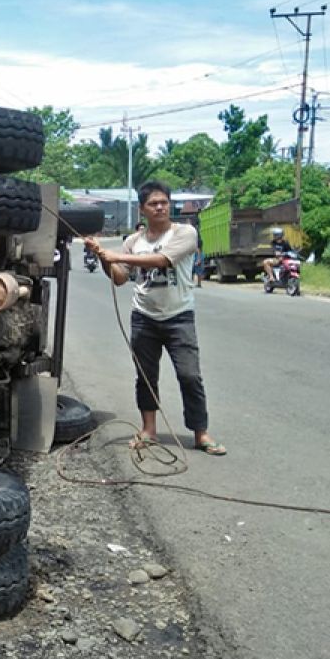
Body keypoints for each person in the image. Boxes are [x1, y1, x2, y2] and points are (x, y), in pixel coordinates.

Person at [84, 181, 226, 455]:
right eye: (153, 203)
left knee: (190, 375)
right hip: (144, 317)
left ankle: (201, 433)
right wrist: (103, 257)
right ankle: (148, 430)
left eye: (164, 202)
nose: (160, 207)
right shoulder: (132, 242)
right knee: (146, 376)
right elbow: (120, 278)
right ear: (142, 210)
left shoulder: (185, 233)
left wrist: (116, 255)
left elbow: (163, 260)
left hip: (179, 316)